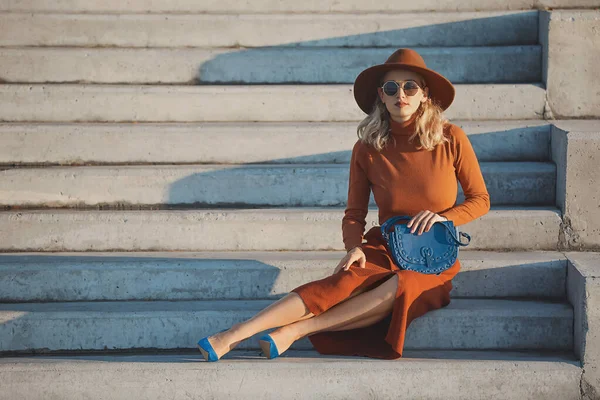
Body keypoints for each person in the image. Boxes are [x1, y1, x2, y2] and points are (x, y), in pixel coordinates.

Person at [197, 48, 490, 361]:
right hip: (387, 245)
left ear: (424, 94)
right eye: (391, 88)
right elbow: (354, 214)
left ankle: (295, 331)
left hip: (433, 256)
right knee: (340, 283)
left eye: (409, 87)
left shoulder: (451, 138)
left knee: (405, 283)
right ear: (381, 95)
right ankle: (234, 334)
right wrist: (355, 247)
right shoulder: (367, 149)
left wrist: (445, 218)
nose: (400, 94)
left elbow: (481, 200)